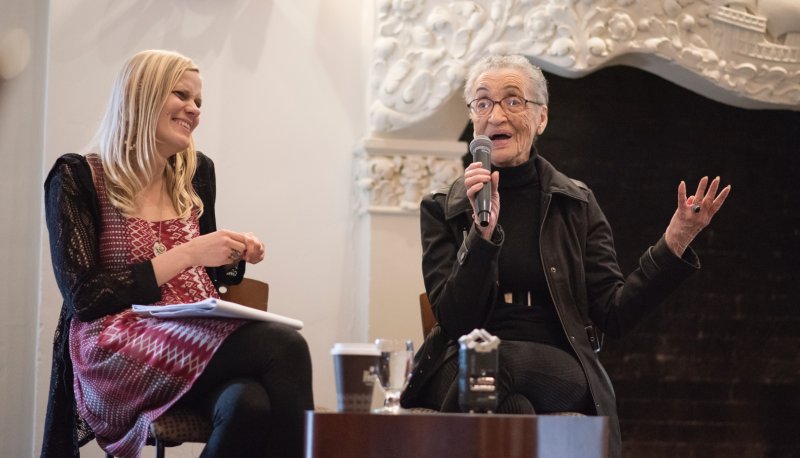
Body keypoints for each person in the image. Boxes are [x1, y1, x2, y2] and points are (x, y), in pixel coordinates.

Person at [400, 54, 730, 458]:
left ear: (541, 118)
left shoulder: (576, 204)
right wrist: (481, 235)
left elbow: (614, 313)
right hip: (461, 358)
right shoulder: (443, 208)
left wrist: (675, 242)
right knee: (511, 404)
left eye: (513, 100)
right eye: (482, 102)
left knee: (492, 364)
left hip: (553, 359)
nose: (496, 115)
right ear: (473, 120)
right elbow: (454, 320)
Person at [41, 49, 314, 458]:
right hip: (117, 346)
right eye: (182, 95)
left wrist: (234, 252)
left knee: (248, 403)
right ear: (142, 96)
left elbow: (211, 276)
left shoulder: (197, 172)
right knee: (285, 346)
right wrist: (189, 252)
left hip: (192, 335)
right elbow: (84, 297)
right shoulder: (77, 176)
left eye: (198, 101)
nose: (194, 109)